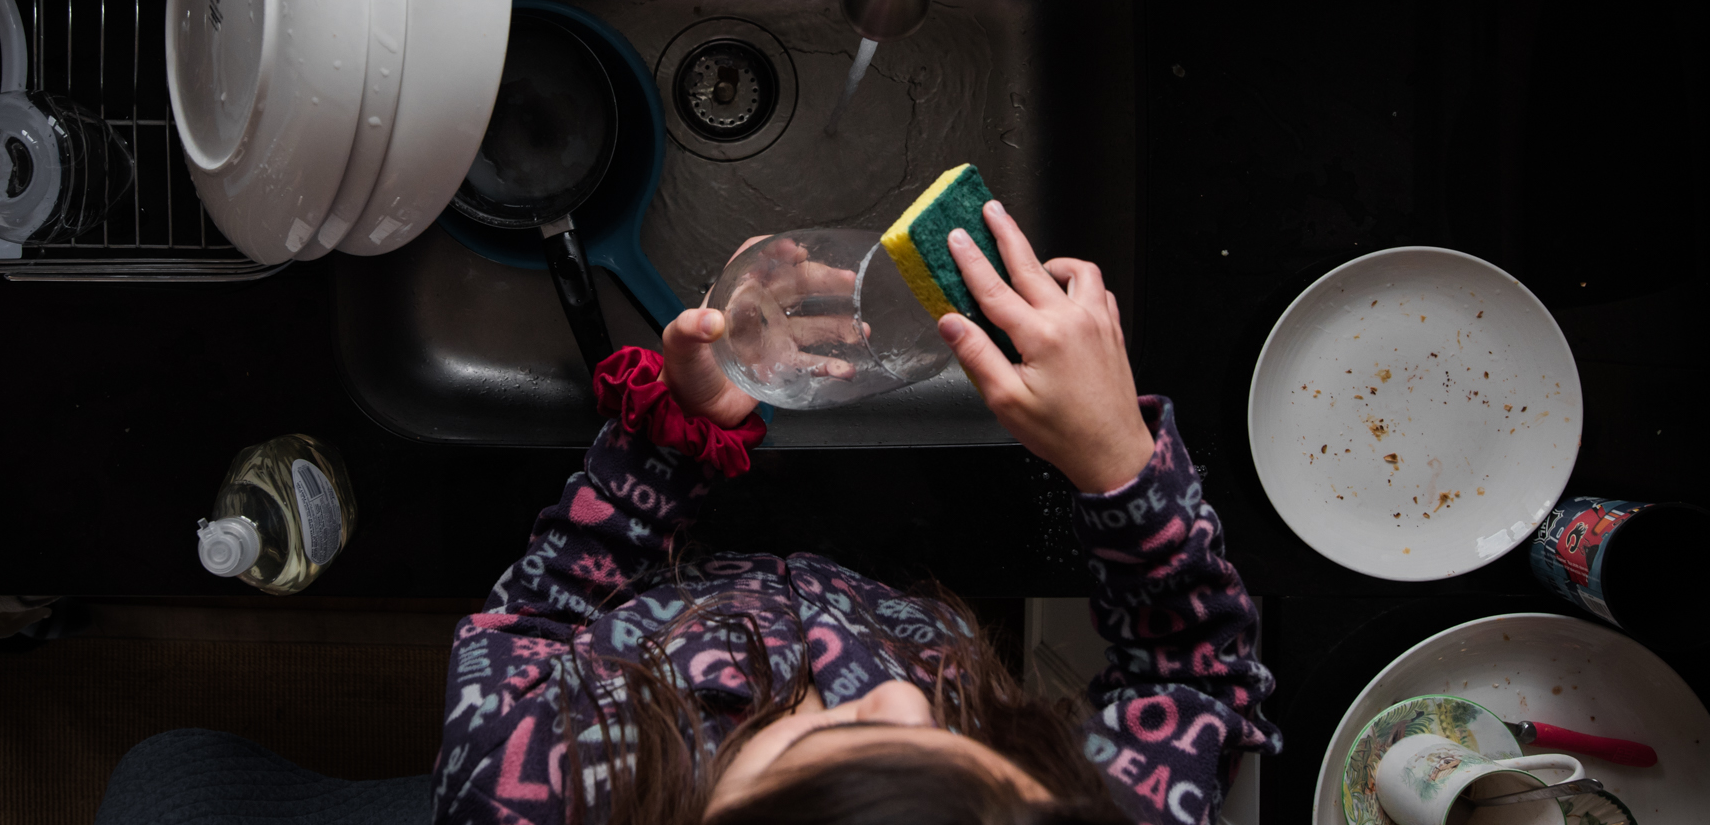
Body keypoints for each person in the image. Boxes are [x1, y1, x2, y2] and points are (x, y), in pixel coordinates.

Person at [434, 201, 1279, 825]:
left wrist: (675, 442)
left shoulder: (519, 780)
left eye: (815, 746)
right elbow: (1194, 679)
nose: (902, 701)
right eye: (992, 756)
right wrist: (1119, 462)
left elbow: (537, 619)